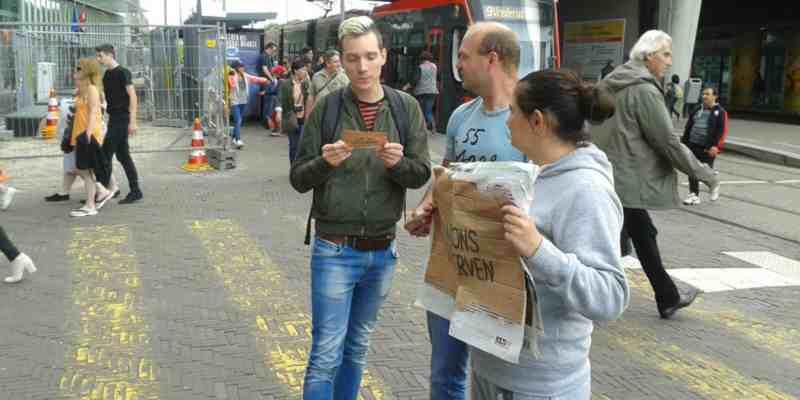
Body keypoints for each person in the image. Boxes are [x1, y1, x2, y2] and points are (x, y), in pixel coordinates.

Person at [290, 15, 430, 400]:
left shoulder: (406, 108)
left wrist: (397, 164)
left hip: (383, 252)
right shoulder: (327, 109)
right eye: (353, 58)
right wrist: (324, 162)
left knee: (356, 348)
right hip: (334, 249)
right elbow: (299, 177)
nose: (362, 67)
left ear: (384, 56)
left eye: (370, 56)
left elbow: (420, 174)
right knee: (325, 353)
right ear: (341, 61)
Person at [470, 68, 628, 400]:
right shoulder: (533, 173)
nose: (507, 120)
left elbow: (610, 296)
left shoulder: (587, 190)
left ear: (537, 122)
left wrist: (539, 250)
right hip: (491, 368)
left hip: (538, 385)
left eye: (513, 111)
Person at [406, 22, 526, 400]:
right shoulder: (459, 118)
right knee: (445, 374)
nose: (457, 65)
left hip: (504, 275)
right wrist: (426, 207)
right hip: (452, 267)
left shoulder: (533, 119)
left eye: (463, 56)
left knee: (497, 381)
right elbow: (446, 178)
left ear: (492, 59)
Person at [596, 30, 720, 319]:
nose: (669, 61)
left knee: (636, 234)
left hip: (605, 173)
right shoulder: (644, 90)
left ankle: (666, 296)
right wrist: (706, 175)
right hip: (625, 180)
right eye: (665, 54)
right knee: (626, 237)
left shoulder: (612, 81)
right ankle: (656, 297)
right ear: (648, 56)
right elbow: (667, 142)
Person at [95, 44, 142, 205]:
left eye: (100, 56)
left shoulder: (123, 72)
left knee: (104, 154)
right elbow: (107, 97)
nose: (98, 59)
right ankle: (135, 191)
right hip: (113, 118)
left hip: (122, 118)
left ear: (110, 55)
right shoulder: (107, 75)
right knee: (122, 156)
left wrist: (133, 121)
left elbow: (133, 97)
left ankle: (101, 192)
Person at [69, 58, 114, 217]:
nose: (75, 71)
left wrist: (88, 132)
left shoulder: (92, 89)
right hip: (80, 133)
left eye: (79, 68)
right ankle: (101, 191)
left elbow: (95, 111)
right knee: (80, 169)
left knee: (84, 169)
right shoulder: (82, 89)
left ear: (87, 71)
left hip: (88, 133)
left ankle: (91, 205)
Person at [681, 87, 728, 205]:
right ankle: (694, 194)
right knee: (692, 170)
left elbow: (722, 130)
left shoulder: (720, 112)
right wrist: (684, 142)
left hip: (708, 147)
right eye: (703, 94)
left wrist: (716, 146)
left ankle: (713, 185)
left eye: (707, 94)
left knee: (706, 170)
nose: (704, 96)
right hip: (692, 144)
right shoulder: (697, 109)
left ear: (715, 96)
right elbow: (688, 127)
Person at [228, 60, 269, 148]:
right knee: (238, 120)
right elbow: (232, 85)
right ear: (236, 68)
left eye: (243, 66)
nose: (243, 68)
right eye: (240, 66)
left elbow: (255, 78)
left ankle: (234, 137)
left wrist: (265, 80)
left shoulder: (245, 75)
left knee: (239, 120)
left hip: (243, 101)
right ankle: (238, 139)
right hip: (235, 101)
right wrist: (232, 74)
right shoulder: (231, 76)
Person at [276, 59, 310, 164]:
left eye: (306, 70)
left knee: (303, 145)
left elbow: (311, 98)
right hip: (291, 118)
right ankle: (294, 167)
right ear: (295, 71)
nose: (305, 72)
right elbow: (279, 99)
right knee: (294, 146)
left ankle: (300, 167)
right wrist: (278, 112)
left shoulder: (306, 84)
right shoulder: (286, 84)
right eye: (303, 70)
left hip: (304, 118)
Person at [403, 51, 439, 132]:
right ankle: (433, 127)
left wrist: (406, 86)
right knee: (429, 110)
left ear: (422, 59)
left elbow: (415, 80)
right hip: (433, 91)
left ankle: (422, 128)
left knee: (421, 111)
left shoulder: (420, 67)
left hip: (421, 92)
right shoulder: (435, 67)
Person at [306, 49, 350, 115]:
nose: (339, 64)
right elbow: (311, 97)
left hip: (336, 115)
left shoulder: (345, 76)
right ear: (328, 63)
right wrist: (307, 116)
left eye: (339, 61)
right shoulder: (317, 76)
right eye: (336, 62)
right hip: (319, 115)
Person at [259, 43, 279, 135]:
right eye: (273, 50)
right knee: (268, 102)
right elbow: (264, 69)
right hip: (266, 81)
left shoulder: (268, 57)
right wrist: (272, 78)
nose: (274, 52)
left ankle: (267, 122)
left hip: (268, 80)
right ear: (269, 48)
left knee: (269, 102)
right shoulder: (264, 56)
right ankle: (267, 122)